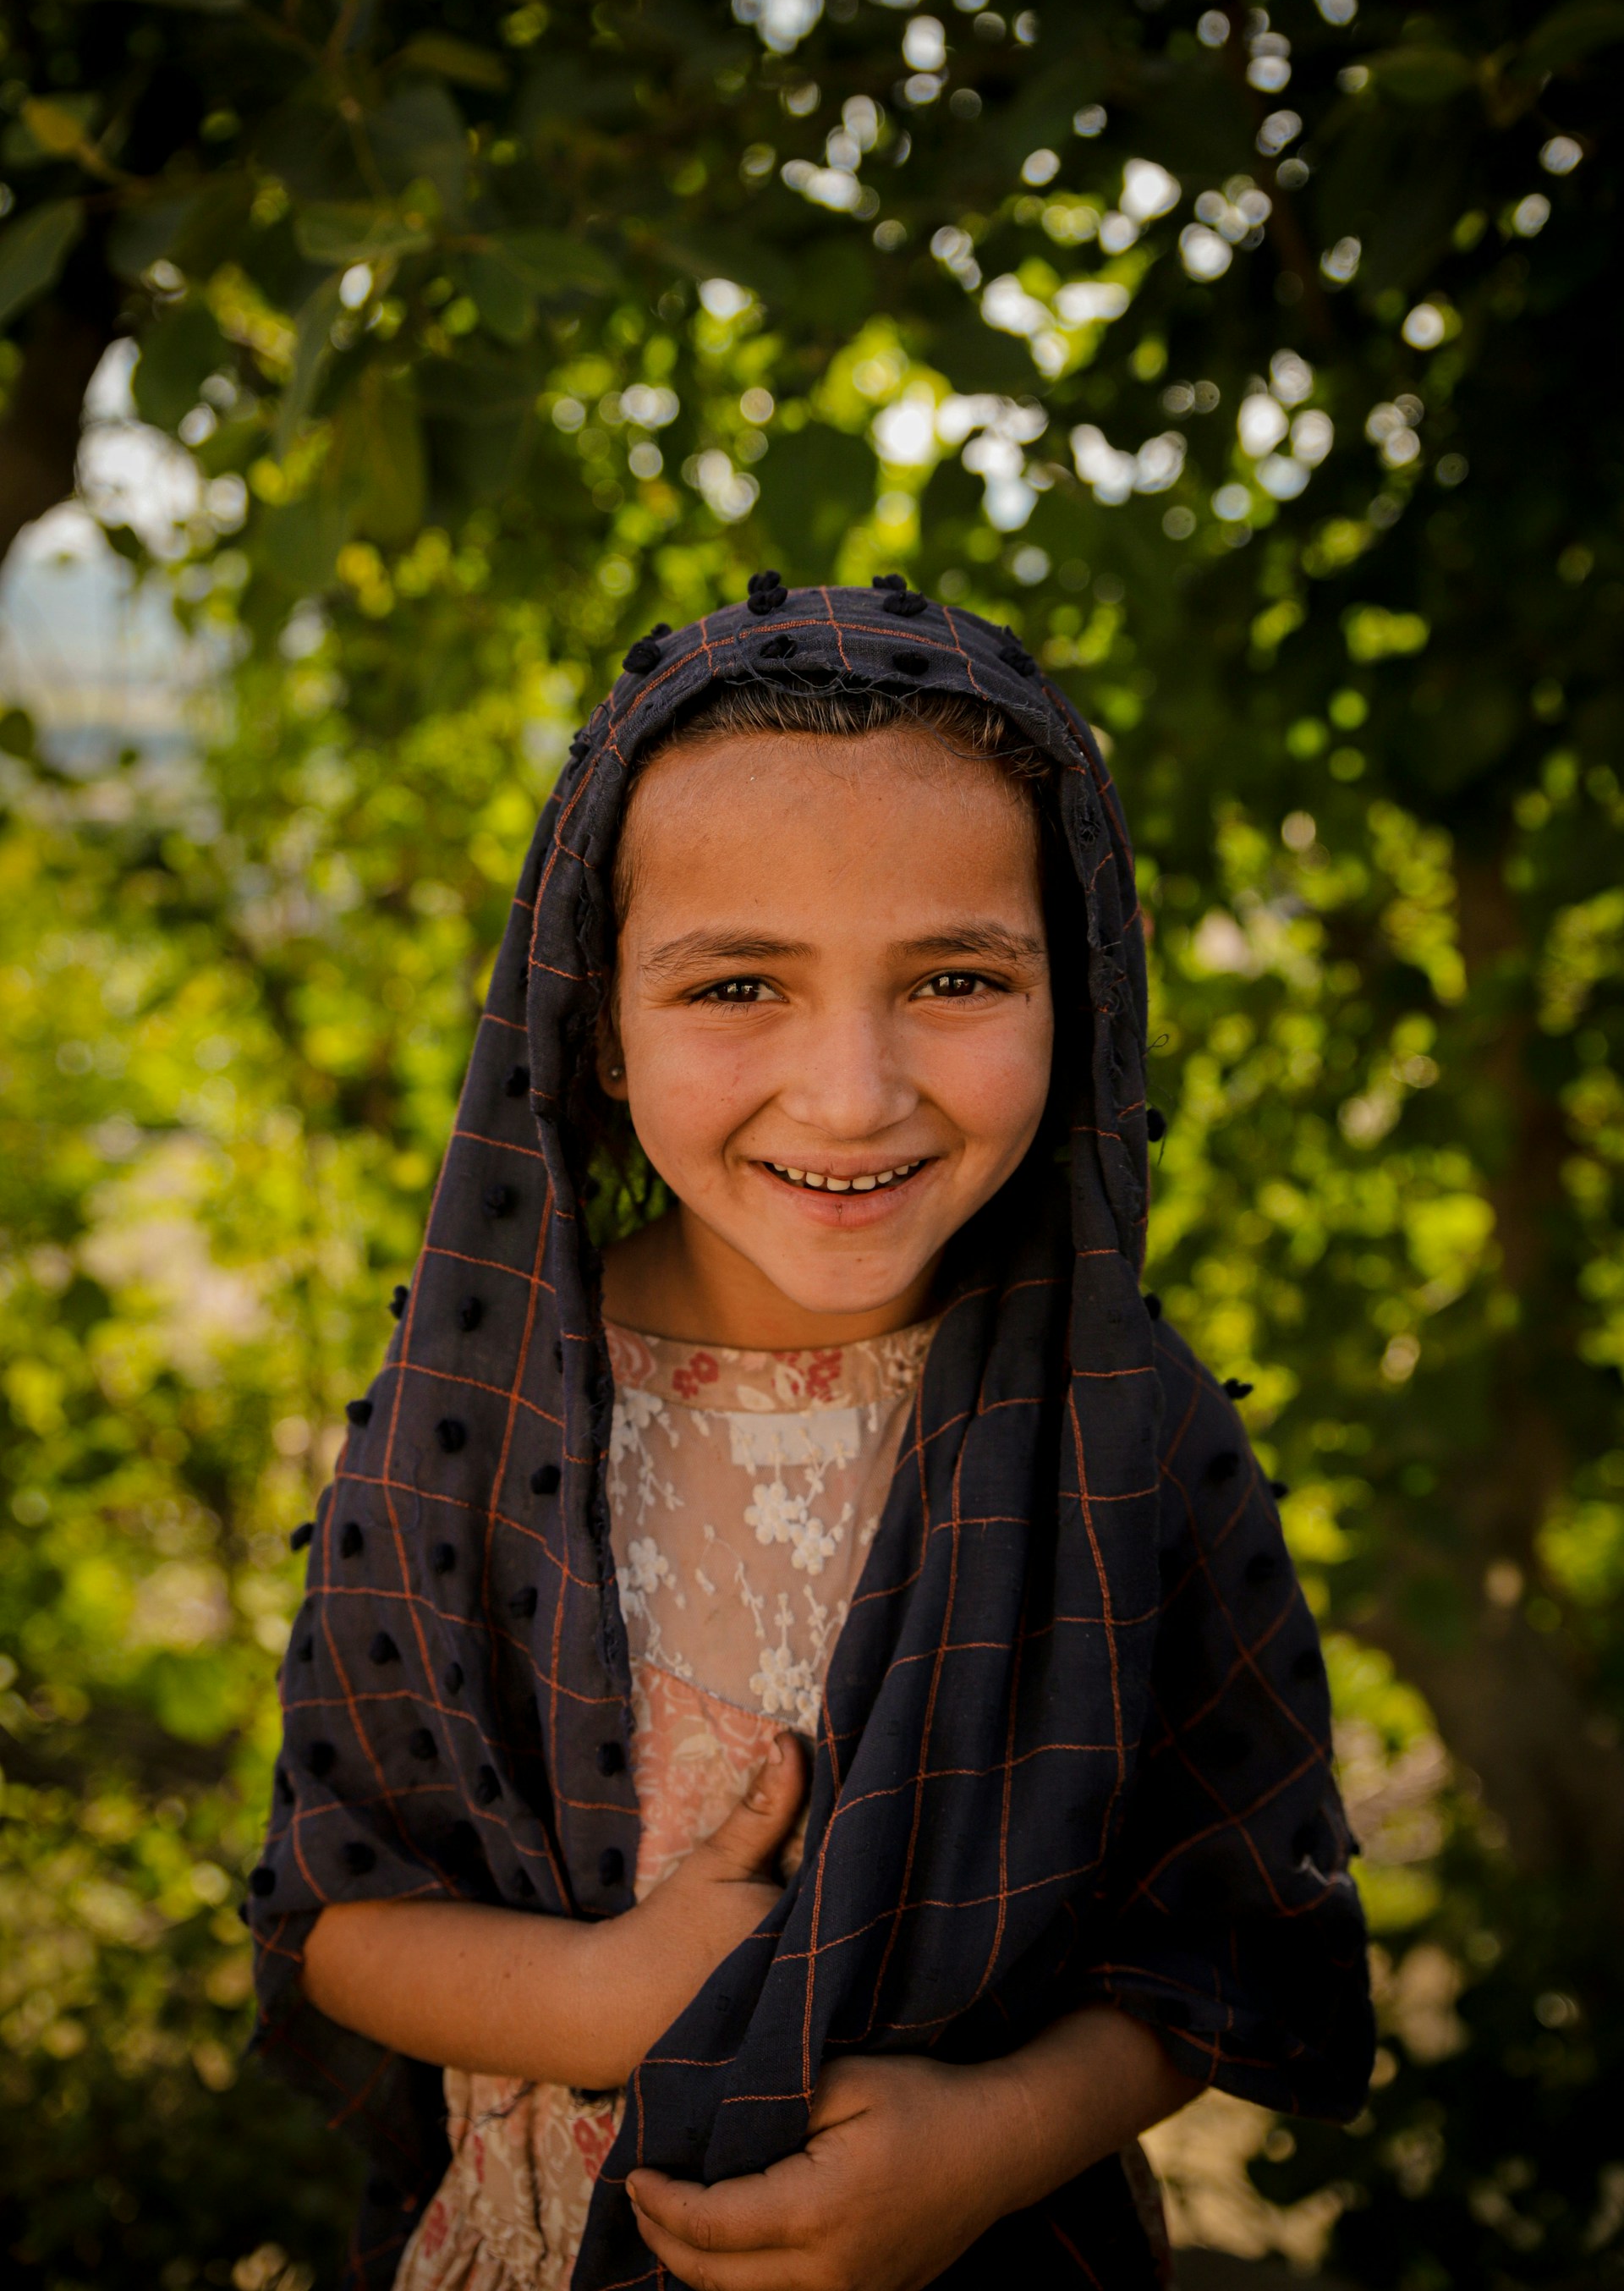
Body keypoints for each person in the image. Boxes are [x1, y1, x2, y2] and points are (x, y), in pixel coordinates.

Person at [250, 580, 1373, 2291]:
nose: (853, 1092)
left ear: (1074, 1003)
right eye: (736, 988)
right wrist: (598, 1995)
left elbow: (1231, 1928)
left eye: (951, 976)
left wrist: (987, 2148)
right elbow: (331, 1907)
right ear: (599, 1033)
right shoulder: (475, 1422)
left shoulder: (1129, 1437)